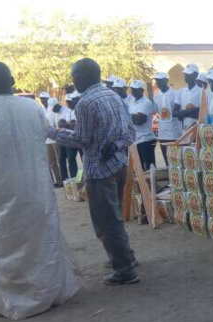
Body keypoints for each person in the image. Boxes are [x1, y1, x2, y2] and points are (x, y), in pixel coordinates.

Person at [0, 61, 81, 319]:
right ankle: (49, 292)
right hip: (36, 188)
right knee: (41, 238)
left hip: (0, 189)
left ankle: (14, 299)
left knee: (6, 240)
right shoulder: (31, 107)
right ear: (12, 80)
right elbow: (44, 133)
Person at [49, 58, 140, 285]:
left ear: (83, 77)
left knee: (106, 222)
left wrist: (52, 132)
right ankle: (125, 257)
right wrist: (116, 147)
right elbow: (130, 132)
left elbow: (82, 140)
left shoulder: (85, 103)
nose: (73, 80)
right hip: (119, 163)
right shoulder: (114, 96)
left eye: (74, 76)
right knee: (115, 218)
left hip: (99, 171)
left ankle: (125, 269)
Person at [153, 72, 182, 163]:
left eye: (160, 80)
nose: (158, 83)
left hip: (174, 132)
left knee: (176, 160)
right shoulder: (156, 96)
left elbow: (178, 112)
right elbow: (158, 111)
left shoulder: (175, 93)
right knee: (166, 160)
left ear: (166, 80)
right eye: (157, 81)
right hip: (162, 132)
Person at [129, 79, 157, 171]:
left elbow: (139, 120)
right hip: (135, 139)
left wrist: (130, 116)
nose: (133, 91)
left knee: (149, 167)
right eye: (132, 88)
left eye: (136, 89)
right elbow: (131, 118)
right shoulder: (131, 102)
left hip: (146, 139)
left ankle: (152, 184)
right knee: (139, 167)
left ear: (142, 90)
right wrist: (133, 116)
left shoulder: (146, 102)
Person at [53, 94, 79, 180]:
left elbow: (73, 125)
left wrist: (66, 124)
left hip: (77, 138)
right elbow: (64, 124)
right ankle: (69, 179)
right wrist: (68, 124)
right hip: (68, 138)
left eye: (70, 101)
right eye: (67, 101)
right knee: (66, 159)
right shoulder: (69, 111)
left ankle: (76, 178)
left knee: (75, 159)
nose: (68, 103)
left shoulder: (76, 110)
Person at [40, 92, 63, 188]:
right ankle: (57, 181)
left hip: (55, 139)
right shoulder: (41, 109)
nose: (42, 100)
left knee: (59, 160)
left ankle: (63, 179)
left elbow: (56, 123)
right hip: (46, 140)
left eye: (44, 98)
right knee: (51, 162)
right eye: (41, 98)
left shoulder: (52, 109)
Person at [175, 63, 202, 131]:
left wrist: (183, 113)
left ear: (196, 75)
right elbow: (175, 113)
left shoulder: (201, 92)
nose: (186, 76)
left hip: (197, 131)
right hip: (183, 131)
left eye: (189, 74)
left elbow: (201, 113)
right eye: (185, 74)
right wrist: (194, 111)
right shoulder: (180, 92)